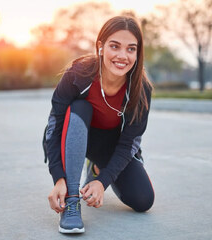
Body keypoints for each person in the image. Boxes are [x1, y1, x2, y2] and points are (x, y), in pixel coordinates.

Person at [43, 15, 154, 234]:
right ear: (101, 46)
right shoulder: (78, 75)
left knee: (143, 200)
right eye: (115, 46)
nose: (123, 56)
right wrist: (58, 178)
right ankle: (72, 200)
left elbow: (129, 142)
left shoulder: (141, 90)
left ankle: (94, 168)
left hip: (109, 145)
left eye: (131, 49)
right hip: (74, 135)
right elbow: (54, 128)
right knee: (80, 107)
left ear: (137, 53)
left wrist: (102, 181)